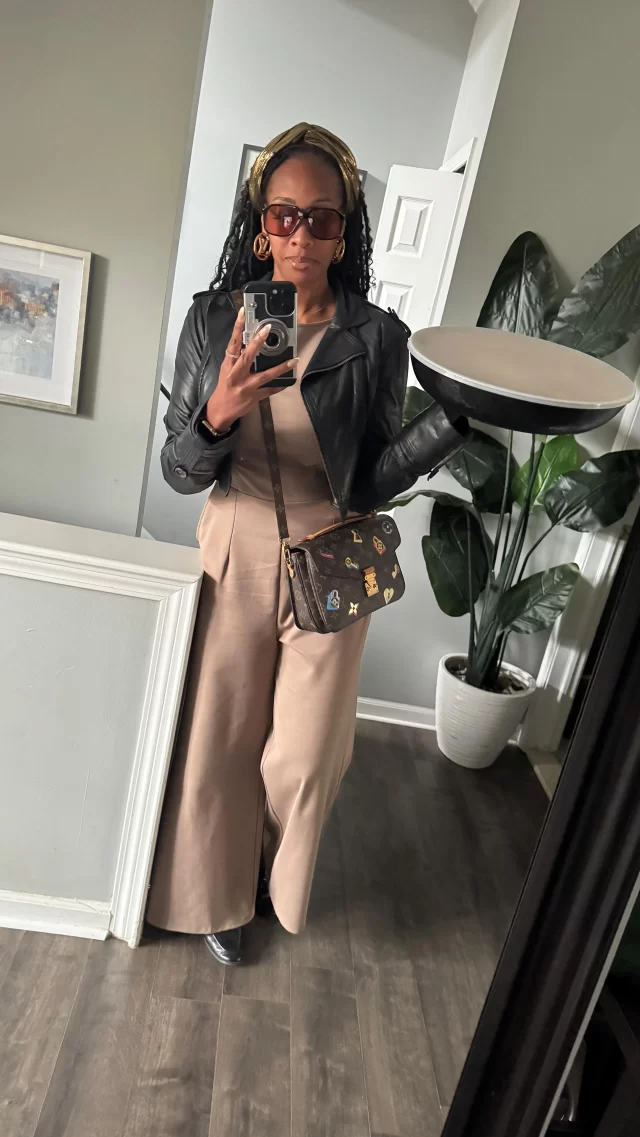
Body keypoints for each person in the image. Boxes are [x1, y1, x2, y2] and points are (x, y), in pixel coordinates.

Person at [146, 122, 467, 965]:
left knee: (305, 754)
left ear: (344, 231)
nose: (300, 234)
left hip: (333, 555)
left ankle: (265, 875)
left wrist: (450, 424)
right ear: (261, 224)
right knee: (218, 739)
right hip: (236, 539)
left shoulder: (377, 336)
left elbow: (374, 477)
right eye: (283, 215)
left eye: (321, 218)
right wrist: (217, 412)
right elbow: (179, 469)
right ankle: (216, 895)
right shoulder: (214, 318)